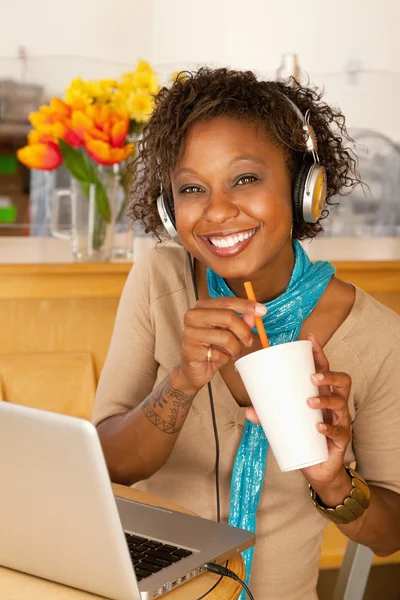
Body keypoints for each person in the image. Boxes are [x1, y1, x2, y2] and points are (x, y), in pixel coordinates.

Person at [93, 68, 400, 599]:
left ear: (305, 187)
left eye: (245, 178)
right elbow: (106, 464)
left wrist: (332, 483)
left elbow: (391, 535)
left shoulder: (378, 336)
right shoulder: (158, 280)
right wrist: (182, 383)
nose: (216, 211)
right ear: (171, 211)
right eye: (192, 188)